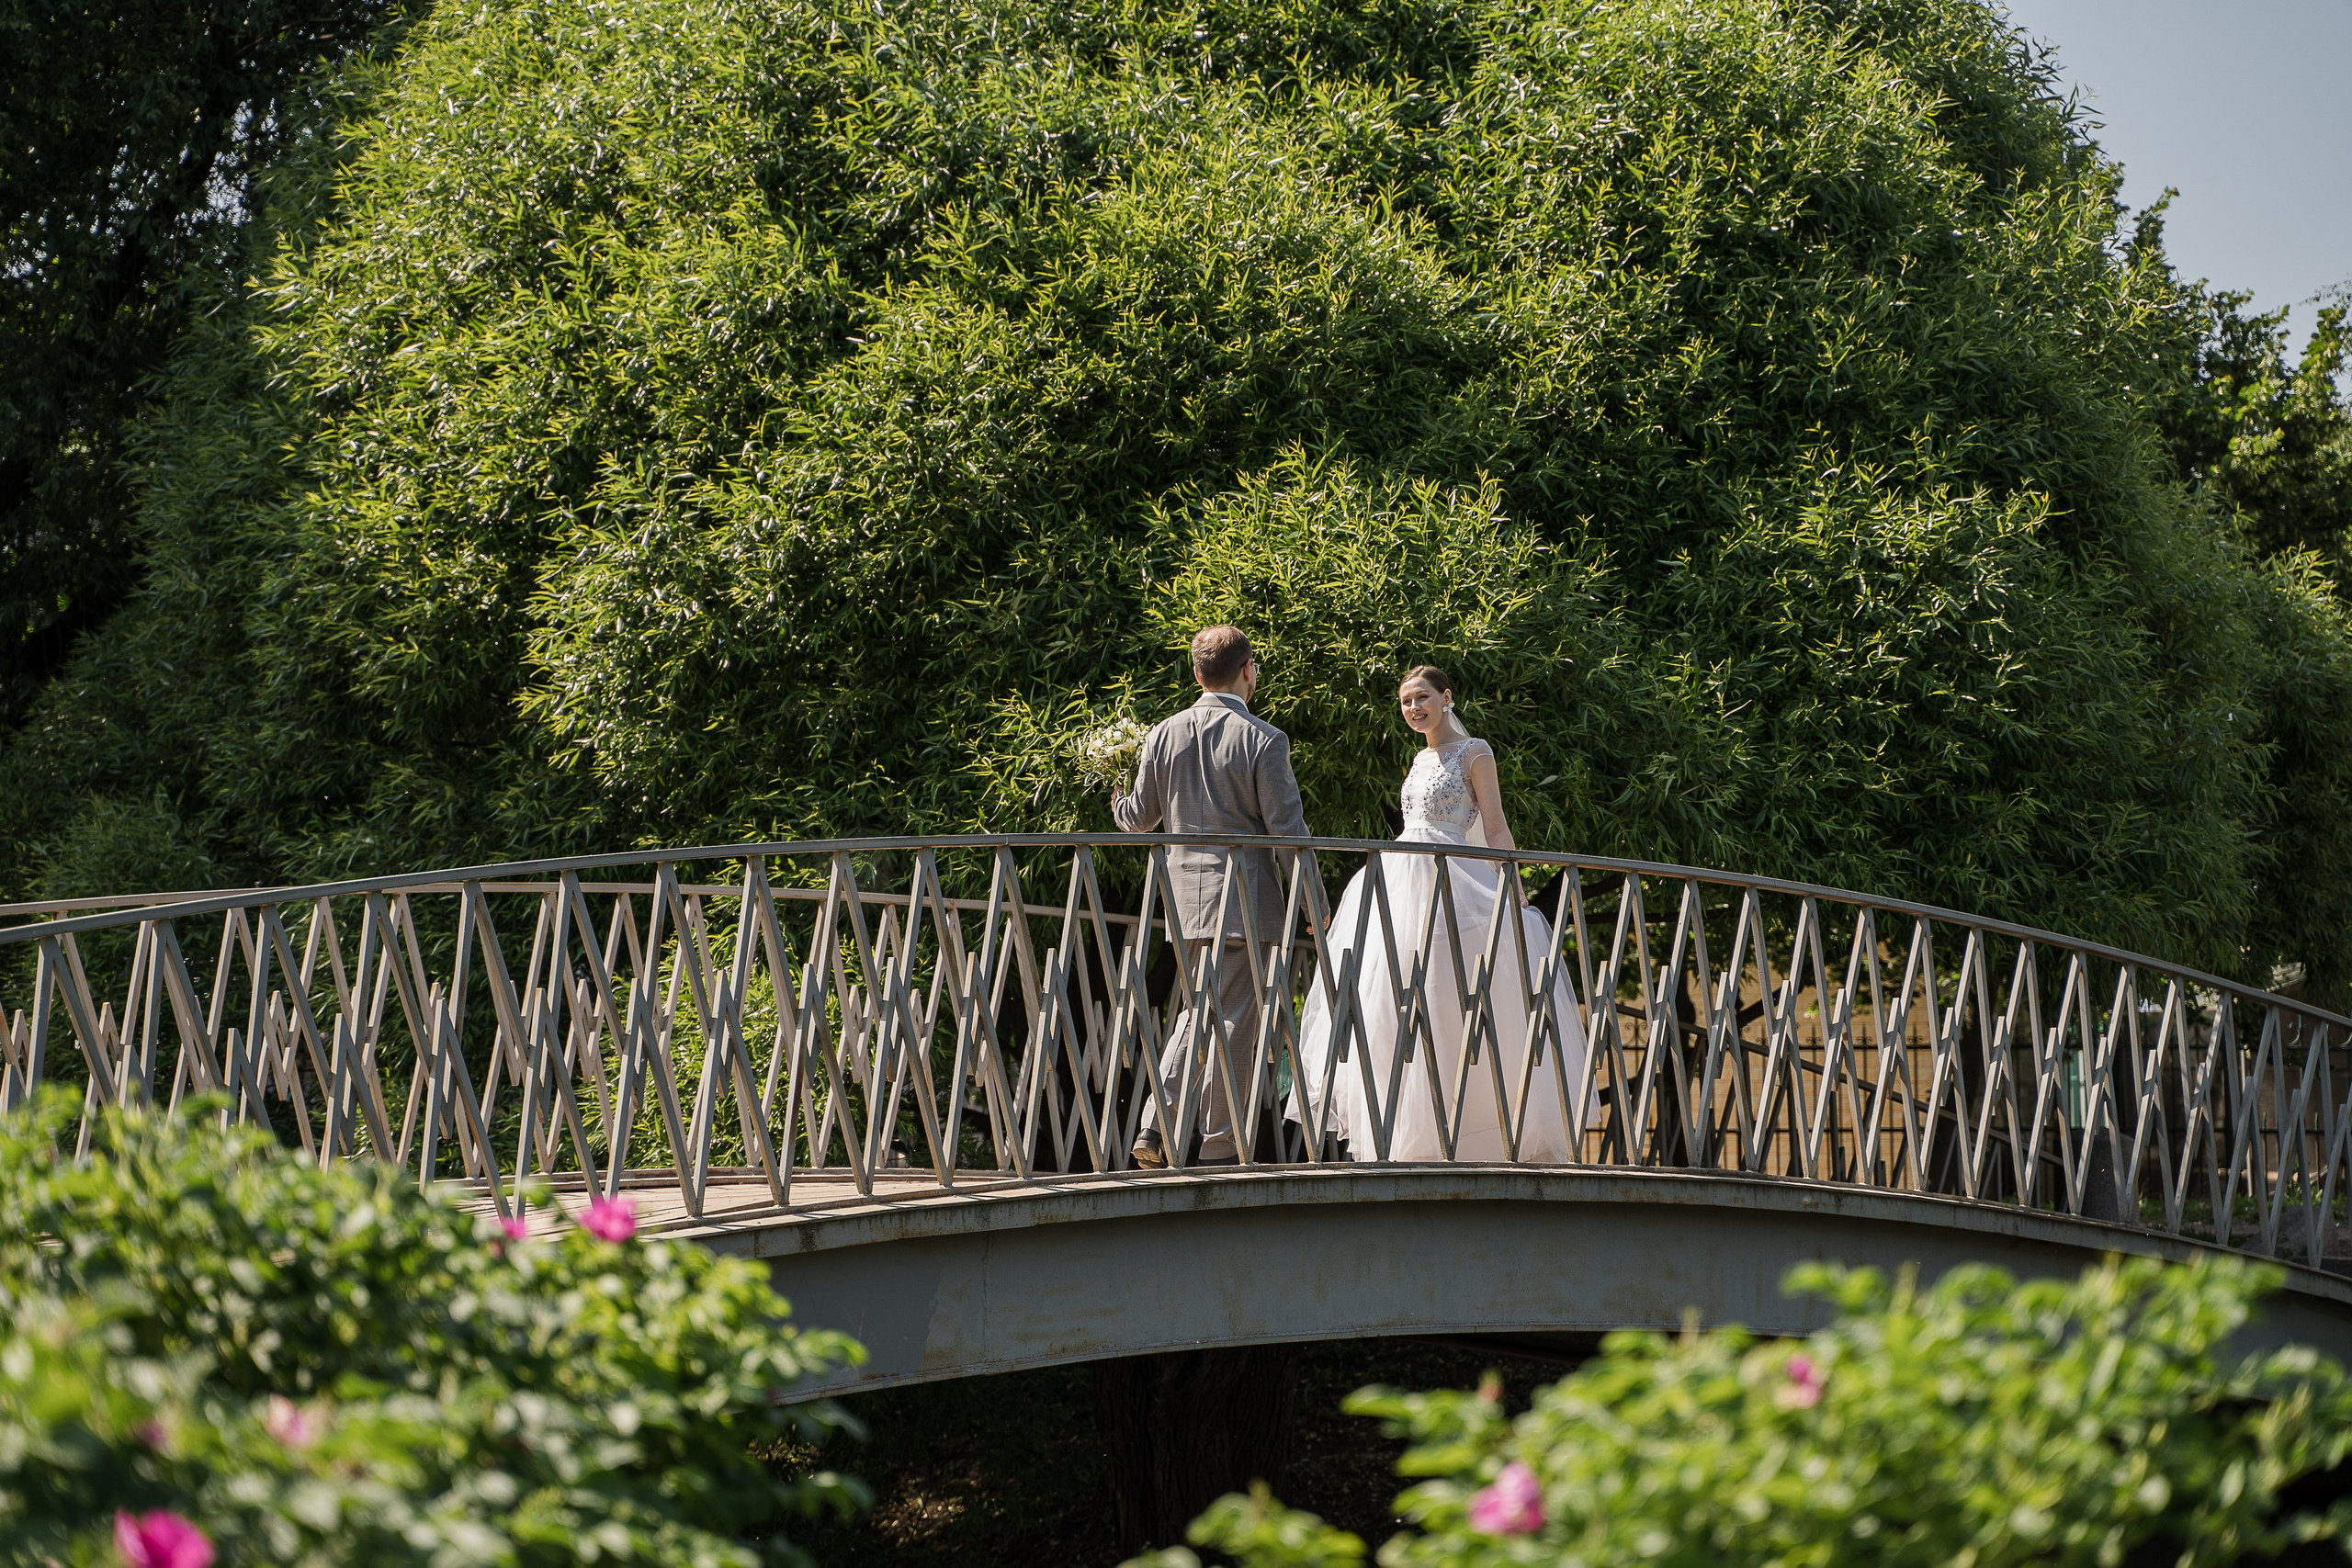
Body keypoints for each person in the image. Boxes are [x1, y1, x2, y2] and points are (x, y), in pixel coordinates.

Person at [1291, 666, 1588, 1161]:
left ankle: (1476, 1132)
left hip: (1455, 877)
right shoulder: (1418, 759)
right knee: (1397, 997)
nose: (1413, 708)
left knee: (1457, 995)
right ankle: (1410, 1135)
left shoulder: (1477, 754)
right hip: (1403, 878)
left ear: (1446, 696)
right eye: (1406, 701)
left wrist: (1512, 883)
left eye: (1422, 697)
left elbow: (1495, 827)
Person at [1112, 626, 1311, 1167]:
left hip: (1184, 900)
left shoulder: (1164, 732)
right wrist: (1313, 904)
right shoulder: (1264, 739)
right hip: (1245, 900)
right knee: (1232, 1022)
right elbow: (1288, 833)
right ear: (1248, 670)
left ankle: (1175, 1131)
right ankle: (1211, 1144)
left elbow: (1139, 818)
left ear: (1197, 675)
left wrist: (1112, 791)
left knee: (1200, 1011)